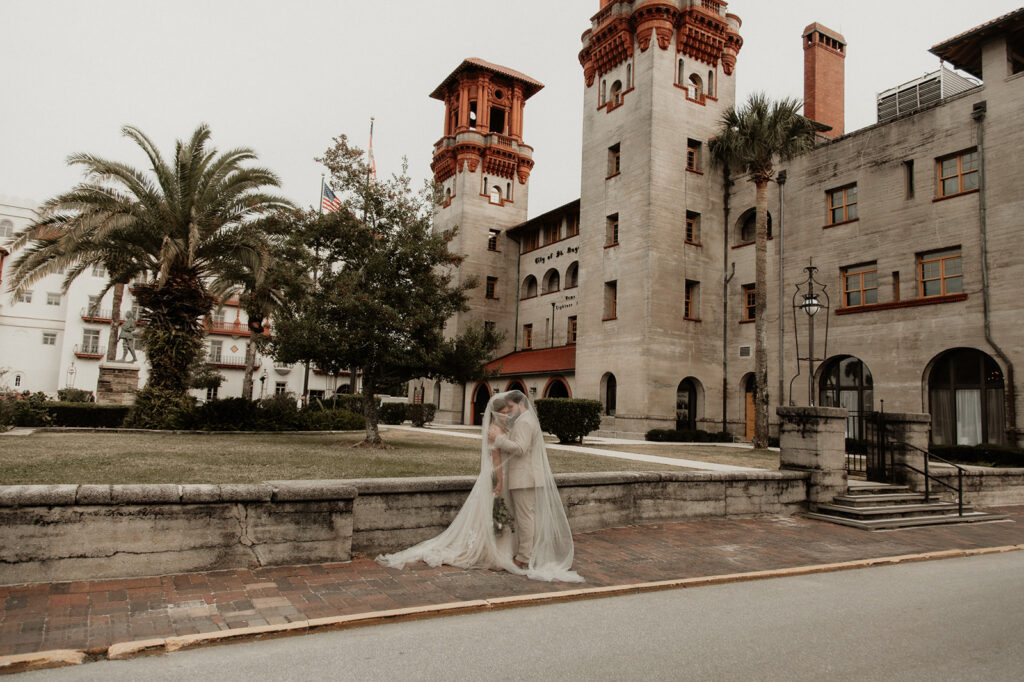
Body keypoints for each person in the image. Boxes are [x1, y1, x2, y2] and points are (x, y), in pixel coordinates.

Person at [376, 390, 582, 583]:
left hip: (521, 478)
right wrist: (499, 477)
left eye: (509, 409)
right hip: (505, 478)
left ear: (519, 404)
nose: (507, 413)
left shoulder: (521, 424)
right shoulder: (510, 425)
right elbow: (497, 459)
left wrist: (500, 440)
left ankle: (523, 555)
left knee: (518, 518)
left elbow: (519, 449)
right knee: (507, 518)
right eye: (504, 411)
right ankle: (515, 553)